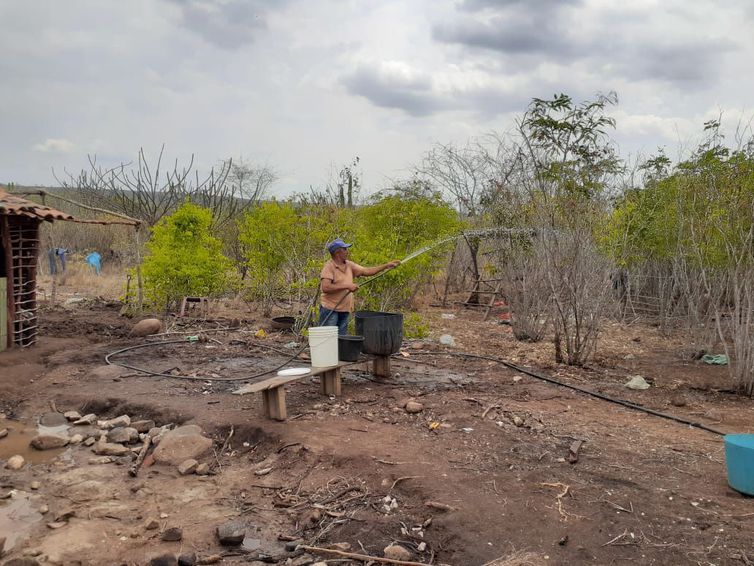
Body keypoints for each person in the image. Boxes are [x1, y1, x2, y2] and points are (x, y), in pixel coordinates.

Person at [319, 238, 400, 335]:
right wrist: (347, 286)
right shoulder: (329, 267)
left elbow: (367, 271)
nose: (347, 252)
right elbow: (326, 287)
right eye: (344, 249)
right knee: (328, 338)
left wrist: (386, 266)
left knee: (341, 339)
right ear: (337, 253)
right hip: (330, 310)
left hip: (345, 309)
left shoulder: (349, 265)